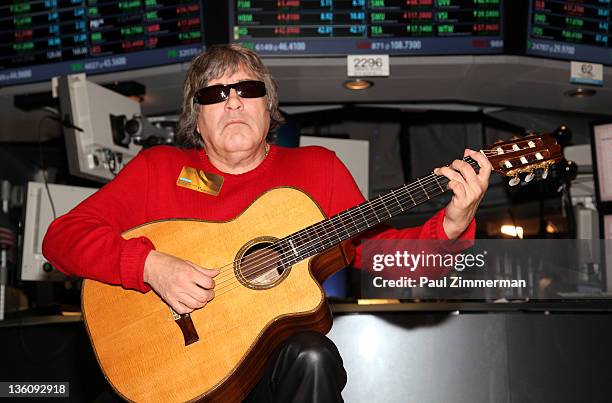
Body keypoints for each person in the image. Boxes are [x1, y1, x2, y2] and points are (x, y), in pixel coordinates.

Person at [43, 44, 491, 402]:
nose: (233, 102)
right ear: (196, 119)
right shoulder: (159, 168)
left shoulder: (318, 168)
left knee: (314, 356)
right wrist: (150, 267)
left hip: (266, 375)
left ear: (267, 106)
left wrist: (450, 227)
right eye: (214, 94)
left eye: (247, 90)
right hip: (165, 370)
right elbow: (61, 238)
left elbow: (376, 257)